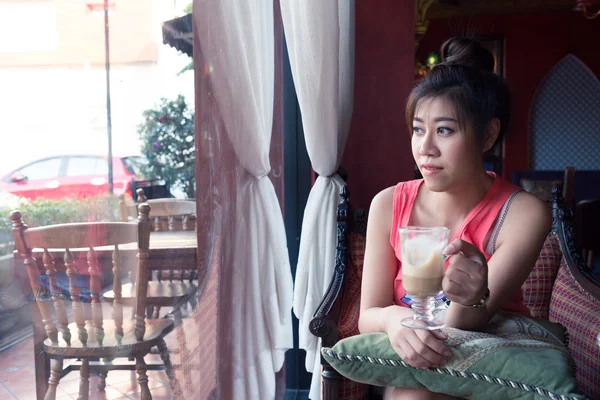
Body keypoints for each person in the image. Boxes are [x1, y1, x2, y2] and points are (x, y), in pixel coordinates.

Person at [358, 37, 551, 400]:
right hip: (409, 366)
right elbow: (367, 314)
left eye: (444, 130)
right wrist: (393, 320)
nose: (425, 148)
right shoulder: (388, 204)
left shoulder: (523, 213)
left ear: (488, 134)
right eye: (418, 129)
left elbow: (462, 326)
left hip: (495, 365)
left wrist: (474, 296)